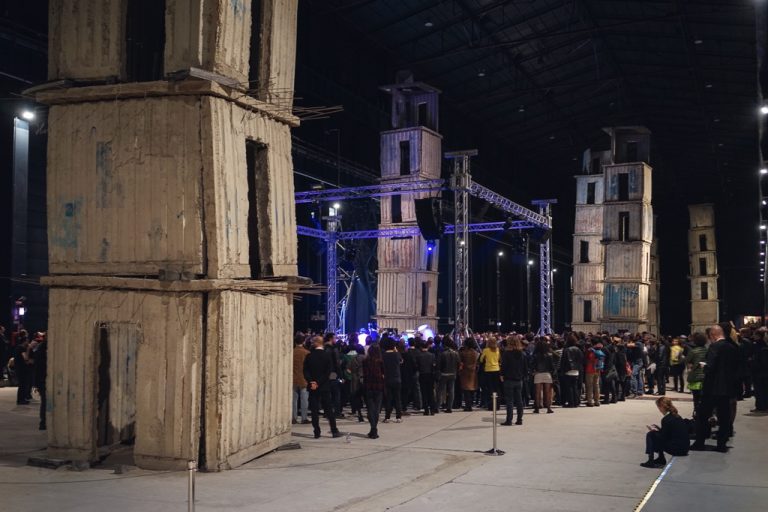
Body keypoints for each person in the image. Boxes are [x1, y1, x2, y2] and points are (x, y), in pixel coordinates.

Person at [691, 325, 738, 452]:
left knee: (703, 415)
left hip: (712, 388)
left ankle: (700, 442)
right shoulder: (732, 347)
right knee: (724, 416)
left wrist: (703, 366)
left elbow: (711, 367)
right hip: (726, 388)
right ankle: (721, 444)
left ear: (712, 335)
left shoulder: (714, 347)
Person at [303, 336, 342, 439]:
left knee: (314, 410)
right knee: (329, 409)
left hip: (313, 387)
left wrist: (312, 382)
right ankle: (334, 430)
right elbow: (328, 372)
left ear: (315, 343)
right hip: (324, 386)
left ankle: (316, 431)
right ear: (322, 343)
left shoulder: (309, 356)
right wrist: (319, 382)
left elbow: (305, 371)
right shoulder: (326, 356)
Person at [641, 397, 690, 468]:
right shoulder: (676, 416)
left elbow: (663, 437)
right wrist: (659, 429)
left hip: (677, 449)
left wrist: (654, 431)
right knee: (655, 435)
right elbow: (670, 433)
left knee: (650, 435)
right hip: (684, 448)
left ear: (662, 407)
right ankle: (660, 459)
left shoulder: (666, 419)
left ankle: (651, 460)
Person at [500, 335, 527, 425]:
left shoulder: (506, 353)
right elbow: (525, 367)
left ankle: (509, 420)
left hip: (508, 379)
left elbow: (503, 366)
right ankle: (519, 419)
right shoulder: (522, 353)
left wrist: (501, 375)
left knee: (509, 401)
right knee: (519, 400)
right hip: (519, 380)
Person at [362, 343, 385, 439]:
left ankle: (373, 428)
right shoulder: (381, 362)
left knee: (370, 408)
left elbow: (364, 373)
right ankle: (374, 429)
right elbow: (384, 373)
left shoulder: (365, 361)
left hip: (368, 386)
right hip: (379, 386)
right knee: (376, 409)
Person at [686, 333, 708, 417]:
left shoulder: (693, 351)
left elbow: (687, 360)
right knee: (704, 398)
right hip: (706, 376)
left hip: (696, 377)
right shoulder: (707, 350)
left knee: (696, 398)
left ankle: (696, 413)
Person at [382, 337, 403, 423]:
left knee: (389, 398)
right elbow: (401, 361)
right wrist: (396, 350)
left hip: (387, 378)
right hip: (397, 378)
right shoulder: (396, 354)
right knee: (397, 398)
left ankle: (387, 417)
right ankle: (398, 417)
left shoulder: (383, 355)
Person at [532, 339, 555, 414]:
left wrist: (533, 372)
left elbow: (532, 365)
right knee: (548, 392)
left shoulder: (535, 355)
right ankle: (548, 408)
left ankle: (537, 408)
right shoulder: (549, 355)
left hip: (538, 374)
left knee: (537, 392)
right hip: (547, 374)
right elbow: (552, 366)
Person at [559, 335, 583, 408]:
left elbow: (563, 361)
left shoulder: (566, 350)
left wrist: (562, 370)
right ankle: (576, 402)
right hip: (576, 370)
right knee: (575, 387)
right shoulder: (578, 349)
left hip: (568, 370)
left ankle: (571, 403)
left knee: (569, 387)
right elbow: (581, 360)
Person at [415, 339, 437, 415]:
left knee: (424, 393)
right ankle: (432, 410)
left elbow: (417, 366)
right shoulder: (432, 355)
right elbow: (434, 366)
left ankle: (426, 410)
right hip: (430, 375)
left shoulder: (419, 356)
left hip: (422, 375)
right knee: (431, 392)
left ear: (421, 347)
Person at [437, 339, 460, 413]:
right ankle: (449, 407)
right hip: (453, 373)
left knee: (440, 391)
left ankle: (437, 407)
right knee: (451, 391)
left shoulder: (442, 353)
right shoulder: (456, 353)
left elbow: (439, 365)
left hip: (444, 374)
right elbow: (458, 363)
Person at [479, 337, 501, 410]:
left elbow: (481, 359)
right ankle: (497, 405)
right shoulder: (498, 350)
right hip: (497, 369)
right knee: (497, 388)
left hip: (488, 370)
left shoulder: (486, 350)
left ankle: (491, 406)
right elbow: (498, 359)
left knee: (489, 388)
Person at [292, 335, 310, 425]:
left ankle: (293, 418)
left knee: (294, 400)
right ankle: (304, 418)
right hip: (304, 379)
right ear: (303, 342)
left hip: (293, 378)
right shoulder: (306, 353)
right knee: (304, 400)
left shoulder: (292, 352)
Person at [458, 337, 479, 411]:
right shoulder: (475, 353)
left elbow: (460, 362)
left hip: (465, 371)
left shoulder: (463, 353)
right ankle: (470, 404)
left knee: (466, 389)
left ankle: (468, 406)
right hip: (473, 372)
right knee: (472, 389)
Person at [751, 329, 768, 412]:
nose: (753, 336)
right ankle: (761, 406)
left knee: (760, 390)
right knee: (761, 390)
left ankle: (761, 406)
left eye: (755, 334)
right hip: (761, 372)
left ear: (759, 336)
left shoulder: (760, 346)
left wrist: (752, 362)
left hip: (760, 372)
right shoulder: (762, 345)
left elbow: (761, 361)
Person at [33, 333, 48, 430]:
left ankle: (44, 422)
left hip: (41, 378)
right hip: (43, 379)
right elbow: (41, 366)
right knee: (46, 401)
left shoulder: (40, 347)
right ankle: (43, 422)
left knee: (46, 401)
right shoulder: (44, 348)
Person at [14, 331, 32, 405]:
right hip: (21, 370)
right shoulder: (21, 348)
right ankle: (20, 400)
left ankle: (22, 399)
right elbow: (25, 358)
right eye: (27, 341)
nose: (28, 342)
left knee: (23, 385)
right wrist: (28, 349)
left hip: (21, 369)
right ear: (25, 341)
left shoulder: (19, 347)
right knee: (22, 385)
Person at [584, 341, 605, 407]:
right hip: (598, 370)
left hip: (590, 370)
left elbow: (589, 360)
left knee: (590, 386)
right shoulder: (601, 353)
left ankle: (590, 401)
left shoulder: (592, 352)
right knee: (596, 385)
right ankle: (597, 401)